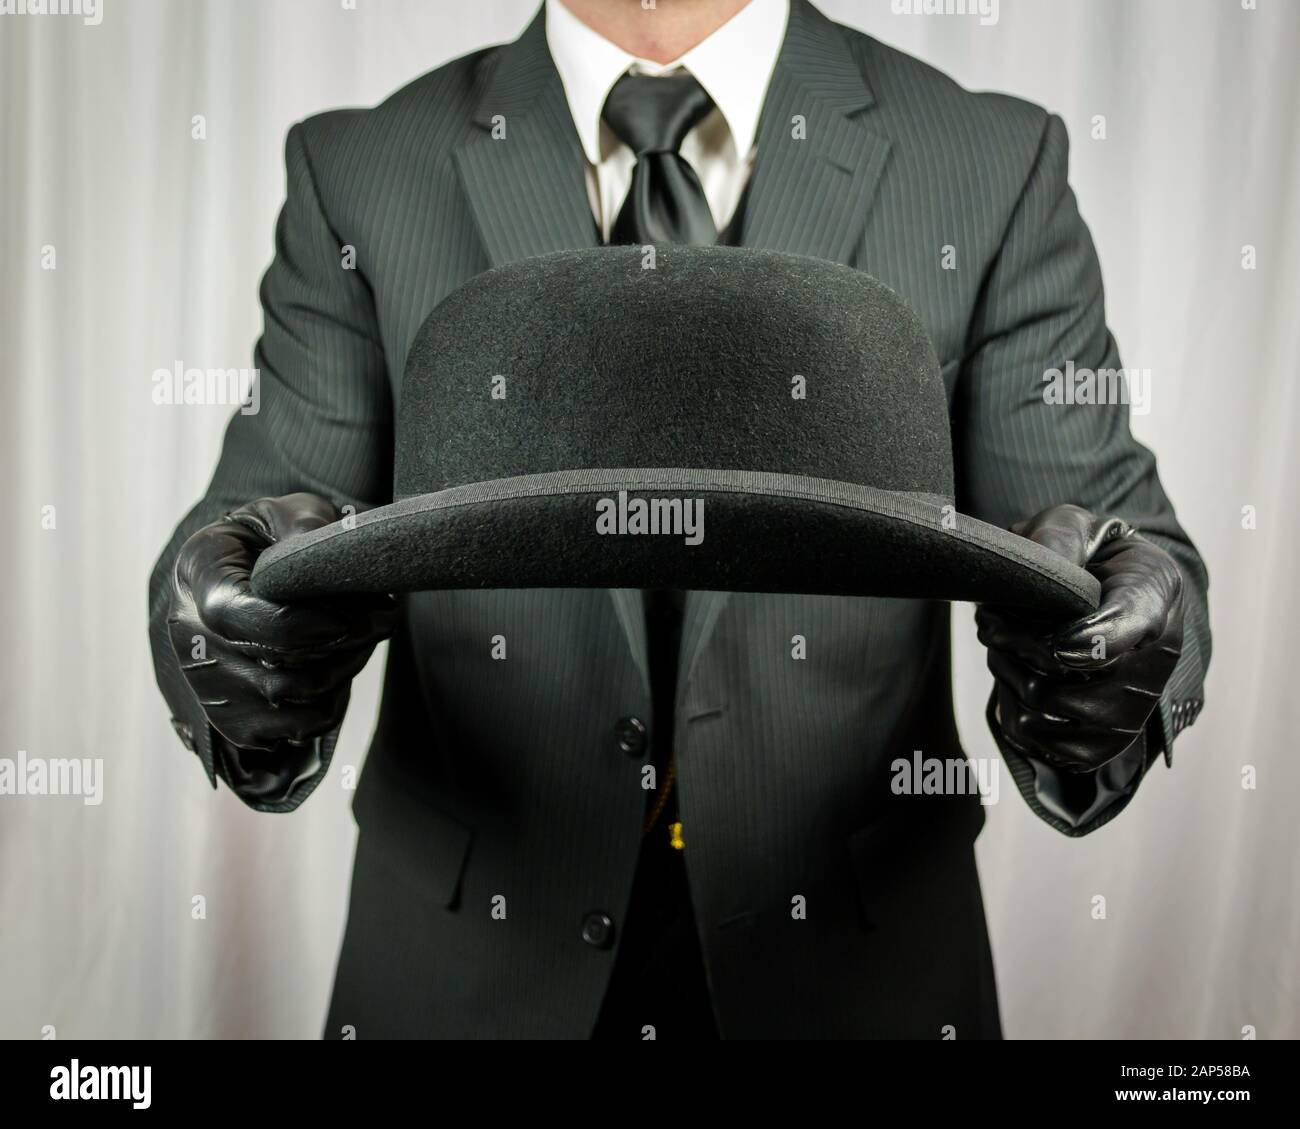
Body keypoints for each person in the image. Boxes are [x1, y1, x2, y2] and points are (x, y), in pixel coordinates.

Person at [149, 0, 1209, 1039]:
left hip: (854, 973)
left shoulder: (987, 160)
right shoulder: (364, 169)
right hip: (464, 968)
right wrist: (228, 624)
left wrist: (1119, 635)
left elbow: (1111, 532)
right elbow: (248, 528)